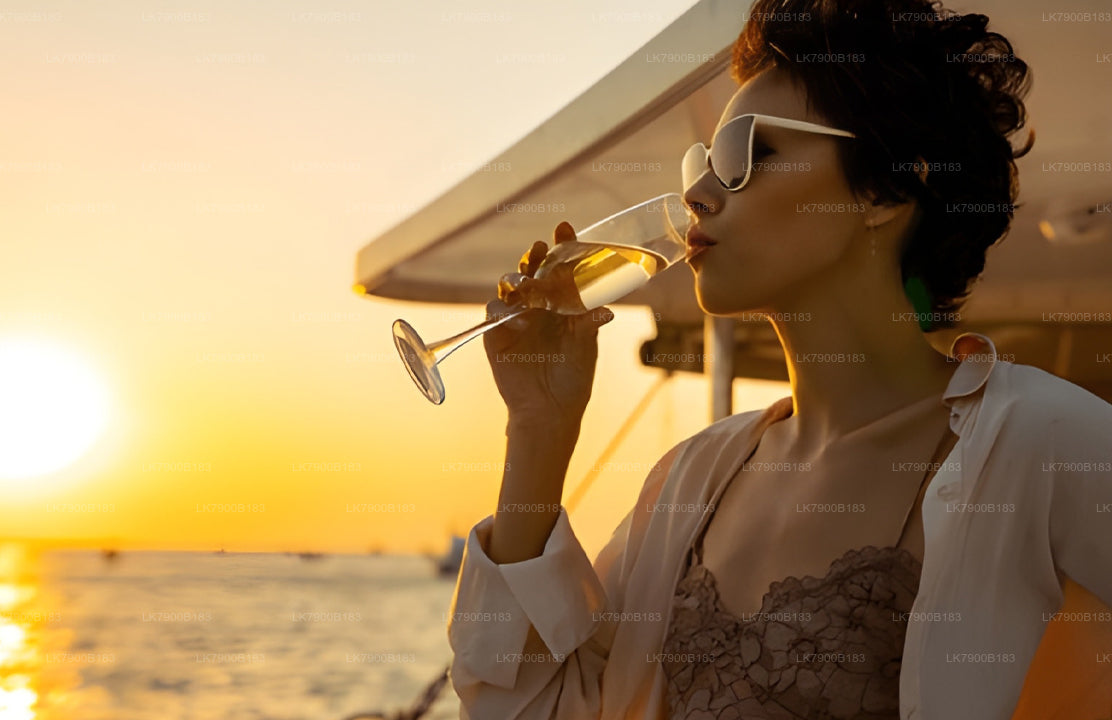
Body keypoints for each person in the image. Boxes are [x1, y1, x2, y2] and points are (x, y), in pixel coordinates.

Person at [445, 0, 1112, 718]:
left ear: (884, 189)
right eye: (701, 163)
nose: (697, 194)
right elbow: (528, 708)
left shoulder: (1044, 441)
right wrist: (540, 432)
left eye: (745, 156)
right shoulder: (688, 480)